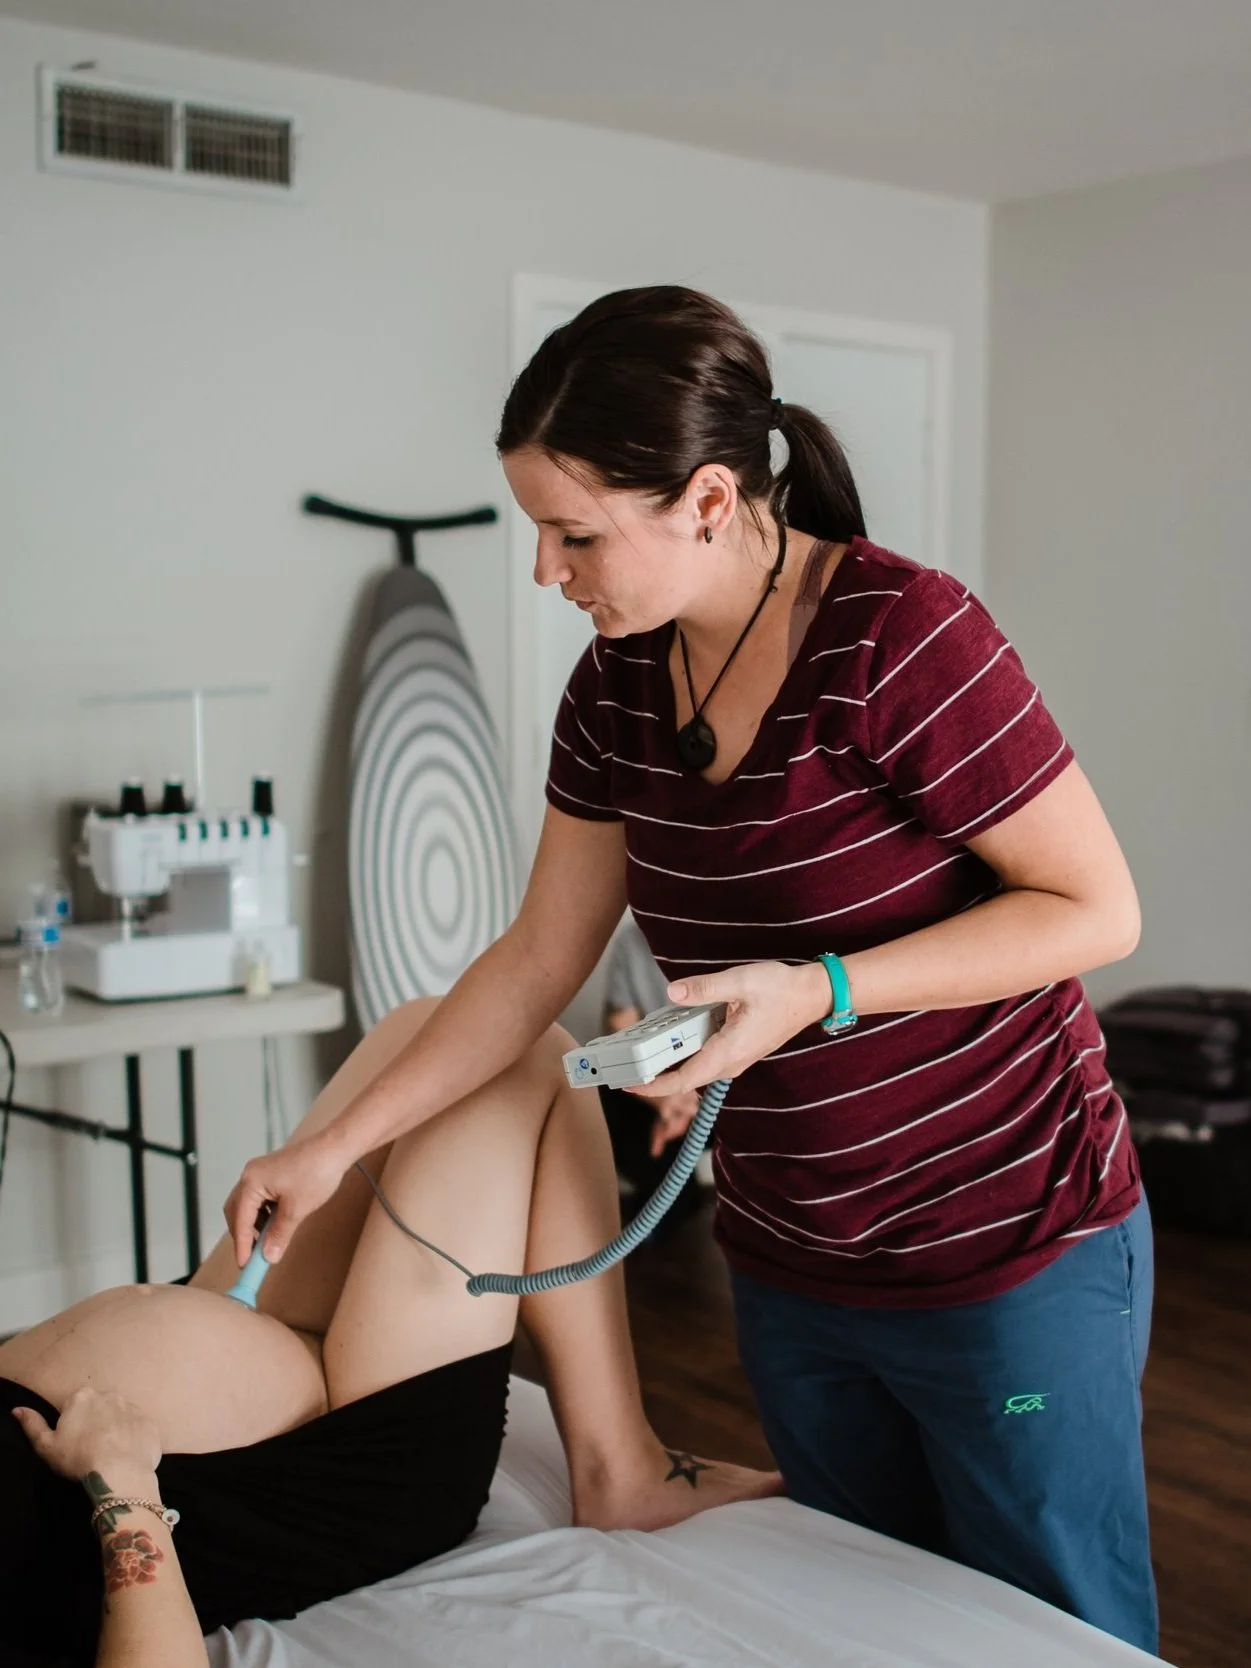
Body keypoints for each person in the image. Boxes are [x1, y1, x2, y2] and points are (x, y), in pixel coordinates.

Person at [226, 287, 1155, 1652]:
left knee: (1047, 1631)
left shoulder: (900, 638)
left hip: (1001, 1248)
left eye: (573, 532)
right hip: (790, 1261)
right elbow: (535, 957)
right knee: (858, 1614)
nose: (548, 572)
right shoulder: (612, 692)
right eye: (539, 530)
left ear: (708, 500)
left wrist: (815, 990)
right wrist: (332, 1149)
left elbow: (1094, 910)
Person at [0, 997, 778, 1668]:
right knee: (526, 1050)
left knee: (432, 1032)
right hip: (322, 1467)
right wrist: (123, 1486)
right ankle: (620, 1468)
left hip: (235, 1346)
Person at [599, 914, 707, 1226]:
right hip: (662, 1089)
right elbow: (621, 1033)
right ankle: (668, 1203)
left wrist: (693, 1097)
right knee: (609, 1098)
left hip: (720, 1082)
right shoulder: (631, 944)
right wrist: (668, 1099)